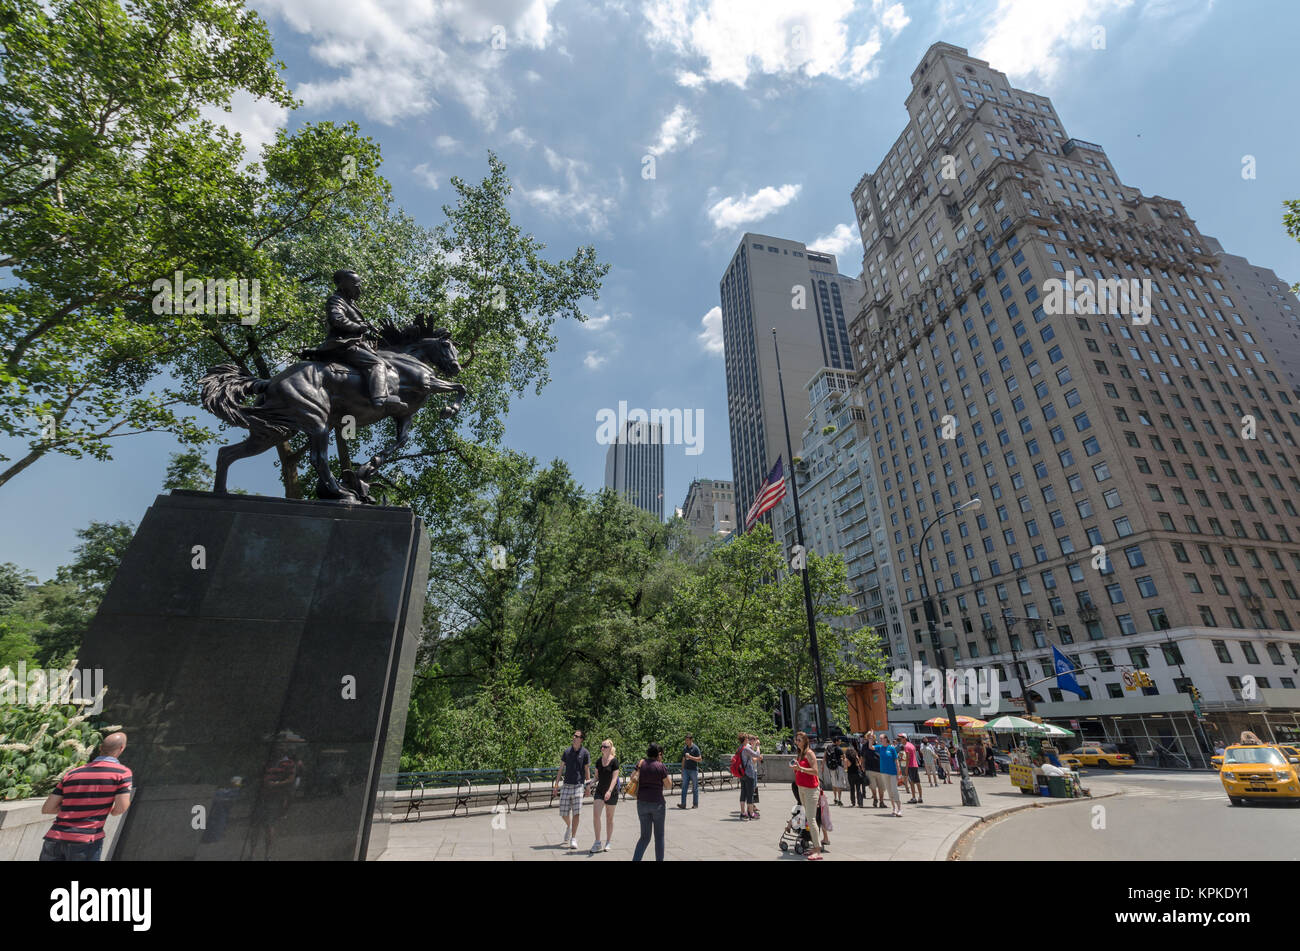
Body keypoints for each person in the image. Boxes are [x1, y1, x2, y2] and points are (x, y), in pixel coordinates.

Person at [307, 269, 407, 411]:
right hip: (342, 346)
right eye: (356, 285)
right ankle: (380, 399)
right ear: (345, 285)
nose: (359, 289)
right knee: (377, 363)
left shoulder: (350, 303)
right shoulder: (336, 300)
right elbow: (337, 319)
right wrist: (359, 327)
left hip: (355, 344)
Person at [40, 732, 132, 862]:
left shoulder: (72, 773)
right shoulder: (121, 773)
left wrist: (71, 808)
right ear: (122, 748)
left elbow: (48, 808)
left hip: (55, 838)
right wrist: (110, 811)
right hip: (86, 839)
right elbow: (121, 807)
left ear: (100, 747)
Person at [630, 743, 672, 861]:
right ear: (658, 754)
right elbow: (668, 786)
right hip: (657, 803)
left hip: (642, 803)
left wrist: (638, 769)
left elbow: (632, 778)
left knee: (644, 837)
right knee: (659, 837)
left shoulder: (641, 764)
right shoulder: (660, 766)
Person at [553, 728, 591, 850]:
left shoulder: (585, 753)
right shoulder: (567, 751)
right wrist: (556, 785)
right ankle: (569, 826)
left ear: (581, 739)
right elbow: (560, 769)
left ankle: (573, 838)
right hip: (566, 785)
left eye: (577, 736)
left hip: (579, 786)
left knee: (577, 813)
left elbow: (586, 770)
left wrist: (588, 786)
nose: (574, 737)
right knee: (563, 813)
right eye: (574, 735)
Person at [791, 732, 824, 860]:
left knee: (811, 819)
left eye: (799, 740)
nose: (797, 742)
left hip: (811, 789)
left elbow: (815, 771)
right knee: (807, 817)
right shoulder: (800, 754)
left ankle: (817, 849)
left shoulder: (810, 753)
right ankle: (814, 846)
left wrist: (802, 769)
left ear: (805, 741)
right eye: (796, 740)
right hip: (801, 788)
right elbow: (799, 769)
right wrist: (796, 768)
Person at [591, 740, 620, 853]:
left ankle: (608, 841)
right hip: (599, 792)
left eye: (605, 746)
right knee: (596, 815)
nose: (602, 748)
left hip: (611, 793)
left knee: (609, 818)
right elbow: (596, 777)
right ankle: (597, 842)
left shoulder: (614, 761)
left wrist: (609, 791)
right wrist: (590, 783)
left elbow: (614, 778)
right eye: (601, 746)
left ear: (610, 747)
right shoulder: (599, 761)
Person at [875, 732, 902, 817]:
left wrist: (899, 772)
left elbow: (896, 760)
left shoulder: (891, 748)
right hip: (884, 772)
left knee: (894, 790)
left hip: (893, 772)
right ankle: (893, 808)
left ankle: (899, 809)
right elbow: (870, 747)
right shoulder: (880, 747)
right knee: (889, 791)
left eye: (882, 738)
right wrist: (871, 738)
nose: (880, 740)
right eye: (880, 739)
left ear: (886, 739)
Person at [740, 733, 762, 819]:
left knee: (743, 793)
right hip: (749, 773)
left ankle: (743, 812)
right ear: (745, 740)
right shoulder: (745, 748)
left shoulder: (740, 748)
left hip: (742, 773)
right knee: (750, 793)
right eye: (747, 739)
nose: (748, 740)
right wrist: (758, 746)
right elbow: (757, 754)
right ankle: (751, 813)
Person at [679, 733, 702, 809]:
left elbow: (700, 759)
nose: (686, 741)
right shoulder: (685, 748)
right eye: (685, 740)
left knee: (695, 788)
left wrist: (691, 757)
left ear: (691, 740)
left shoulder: (695, 748)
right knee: (684, 787)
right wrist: (682, 770)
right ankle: (683, 804)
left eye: (688, 740)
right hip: (686, 770)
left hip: (693, 770)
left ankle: (695, 804)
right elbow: (683, 759)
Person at [899, 732, 922, 804]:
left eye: (901, 738)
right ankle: (920, 797)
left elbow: (908, 758)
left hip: (910, 766)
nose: (900, 739)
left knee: (911, 782)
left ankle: (914, 798)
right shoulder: (911, 745)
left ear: (905, 738)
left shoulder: (906, 746)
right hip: (915, 765)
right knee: (917, 782)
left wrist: (906, 768)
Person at [823, 741, 847, 806]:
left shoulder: (828, 747)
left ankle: (835, 798)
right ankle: (839, 799)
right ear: (837, 741)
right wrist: (845, 767)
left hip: (831, 768)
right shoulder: (839, 748)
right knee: (839, 784)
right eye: (839, 740)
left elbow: (824, 757)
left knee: (834, 783)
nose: (840, 742)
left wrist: (823, 766)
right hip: (838, 767)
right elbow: (844, 757)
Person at [861, 738, 884, 807]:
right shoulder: (865, 747)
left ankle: (881, 801)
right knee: (873, 786)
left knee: (881, 787)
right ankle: (876, 799)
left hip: (879, 769)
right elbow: (862, 757)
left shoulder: (878, 746)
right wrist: (863, 766)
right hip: (870, 769)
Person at [844, 742, 865, 807]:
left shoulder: (846, 759)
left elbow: (845, 768)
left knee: (852, 788)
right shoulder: (856, 757)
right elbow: (858, 764)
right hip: (857, 774)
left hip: (850, 774)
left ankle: (853, 802)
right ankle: (860, 802)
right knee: (858, 788)